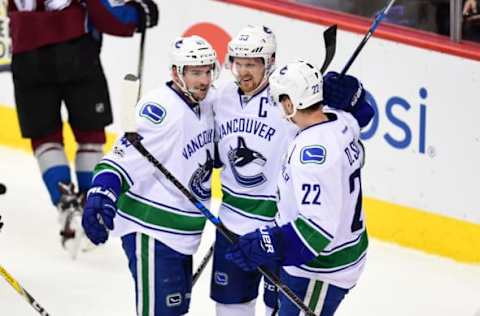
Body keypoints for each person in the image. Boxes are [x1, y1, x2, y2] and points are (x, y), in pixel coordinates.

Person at [211, 25, 374, 316]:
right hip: (293, 241)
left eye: (253, 64)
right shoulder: (337, 122)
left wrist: (353, 94)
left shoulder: (313, 151)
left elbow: (315, 231)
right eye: (239, 63)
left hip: (313, 258)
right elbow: (355, 117)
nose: (244, 71)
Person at [81, 35, 220, 316]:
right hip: (153, 232)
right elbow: (120, 159)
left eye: (208, 71)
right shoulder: (160, 110)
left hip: (182, 233)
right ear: (176, 73)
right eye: (195, 72)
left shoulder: (207, 101)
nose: (204, 80)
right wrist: (100, 194)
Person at [7, 0, 159, 255]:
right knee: (90, 136)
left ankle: (65, 202)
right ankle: (91, 206)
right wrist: (139, 14)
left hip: (27, 57)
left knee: (45, 138)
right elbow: (108, 16)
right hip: (75, 53)